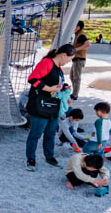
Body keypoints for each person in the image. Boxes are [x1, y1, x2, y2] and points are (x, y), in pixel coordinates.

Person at [25, 44, 76, 172]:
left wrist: (63, 87)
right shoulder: (47, 63)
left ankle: (50, 156)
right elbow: (32, 79)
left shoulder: (58, 67)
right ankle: (31, 159)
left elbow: (53, 83)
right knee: (36, 134)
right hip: (40, 105)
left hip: (53, 106)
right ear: (63, 55)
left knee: (51, 133)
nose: (68, 62)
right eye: (69, 59)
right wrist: (50, 89)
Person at [70, 21, 91, 100]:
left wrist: (76, 49)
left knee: (76, 78)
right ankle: (74, 92)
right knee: (72, 76)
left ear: (78, 27)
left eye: (74, 26)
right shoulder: (77, 34)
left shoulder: (81, 34)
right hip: (76, 59)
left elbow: (88, 44)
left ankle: (75, 95)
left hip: (79, 59)